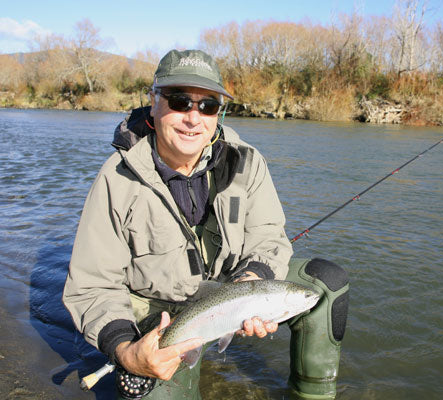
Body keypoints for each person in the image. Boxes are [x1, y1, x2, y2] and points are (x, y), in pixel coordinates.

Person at [63, 49, 349, 399]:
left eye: (208, 106)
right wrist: (125, 350)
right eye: (180, 101)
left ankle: (312, 393)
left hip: (231, 288)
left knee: (325, 284)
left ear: (219, 113)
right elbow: (92, 285)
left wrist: (251, 283)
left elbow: (268, 237)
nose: (193, 118)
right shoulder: (117, 179)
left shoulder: (246, 161)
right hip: (157, 309)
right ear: (153, 103)